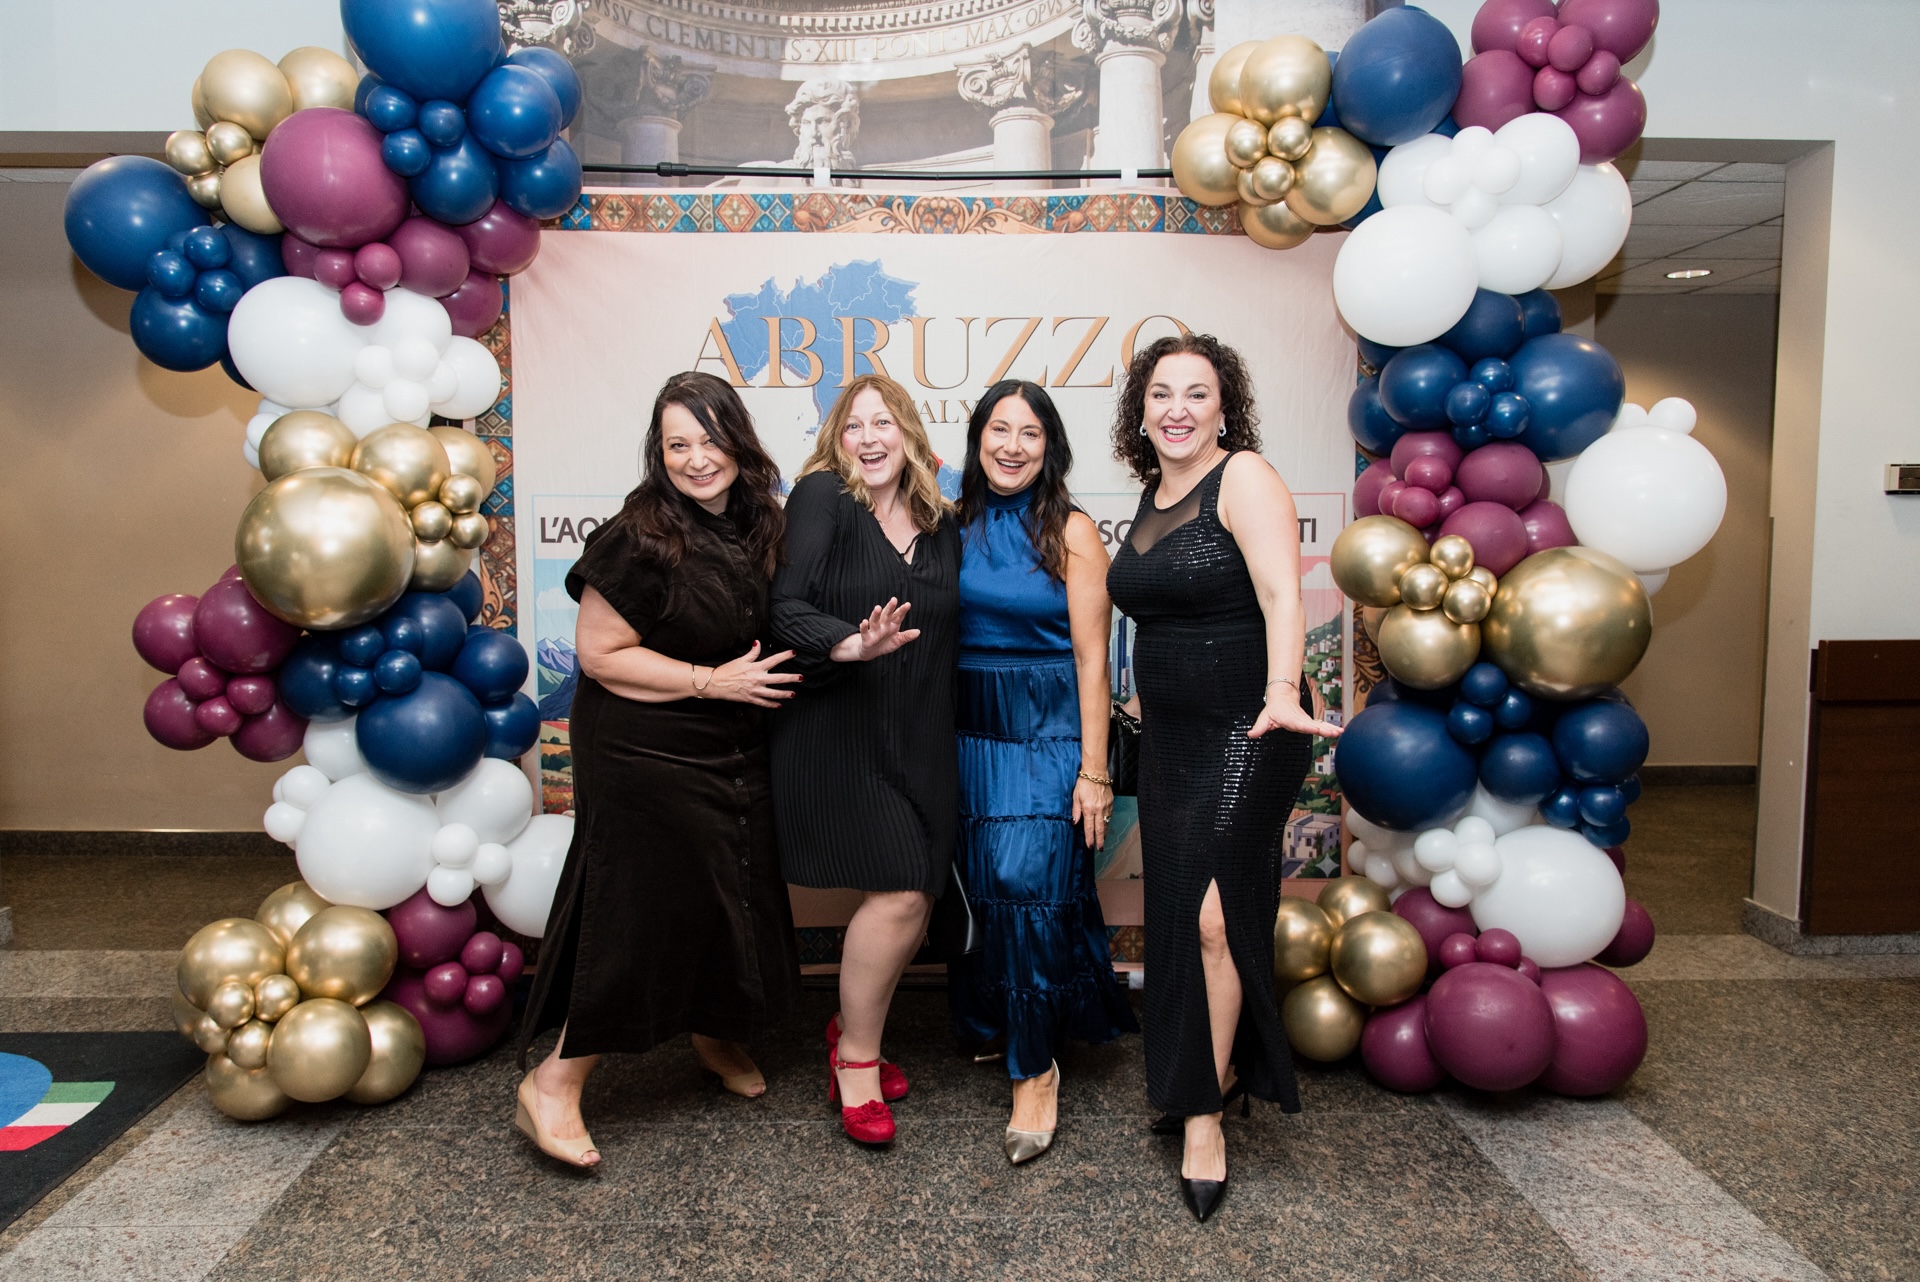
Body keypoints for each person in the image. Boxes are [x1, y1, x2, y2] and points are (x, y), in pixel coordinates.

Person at [513, 371, 802, 1169]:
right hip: (642, 746)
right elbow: (601, 655)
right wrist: (712, 682)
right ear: (659, 453)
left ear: (738, 441)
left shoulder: (757, 520)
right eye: (678, 444)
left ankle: (713, 1030)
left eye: (710, 439)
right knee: (639, 914)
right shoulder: (640, 534)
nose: (696, 458)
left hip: (729, 741)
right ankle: (554, 1082)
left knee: (727, 894)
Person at [1103, 335, 1343, 1220]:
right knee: (1177, 912)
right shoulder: (1152, 494)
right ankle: (1207, 1074)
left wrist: (1280, 691)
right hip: (1173, 741)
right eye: (1161, 393)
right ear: (1140, 412)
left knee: (1214, 919)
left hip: (1252, 728)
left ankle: (1205, 1115)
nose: (1177, 409)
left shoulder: (1243, 477)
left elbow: (1283, 597)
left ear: (1223, 408)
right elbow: (1168, 615)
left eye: (1196, 394)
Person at [947, 380, 1137, 1165]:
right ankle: (1004, 1023)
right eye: (1000, 430)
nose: (1013, 446)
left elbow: (1094, 660)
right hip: (968, 735)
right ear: (978, 439)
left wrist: (1094, 771)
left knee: (1028, 889)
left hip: (1048, 733)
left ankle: (1036, 1071)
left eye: (1030, 433)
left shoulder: (1072, 530)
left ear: (1050, 446)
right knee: (989, 896)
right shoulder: (952, 523)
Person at [769, 373, 960, 1147]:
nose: (870, 438)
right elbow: (783, 607)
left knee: (922, 892)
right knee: (903, 892)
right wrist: (849, 643)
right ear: (836, 440)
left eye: (885, 423)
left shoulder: (941, 524)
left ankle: (851, 1028)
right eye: (855, 426)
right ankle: (855, 1060)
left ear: (910, 435)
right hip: (838, 732)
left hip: (922, 736)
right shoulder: (823, 499)